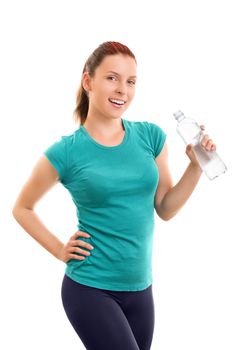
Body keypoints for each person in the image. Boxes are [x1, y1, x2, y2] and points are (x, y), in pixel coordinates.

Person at [12, 41, 216, 350]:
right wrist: (57, 249)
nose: (122, 89)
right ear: (88, 81)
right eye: (112, 78)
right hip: (90, 287)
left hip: (141, 290)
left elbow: (165, 207)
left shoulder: (150, 136)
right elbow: (22, 207)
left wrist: (196, 166)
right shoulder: (66, 152)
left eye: (131, 81)